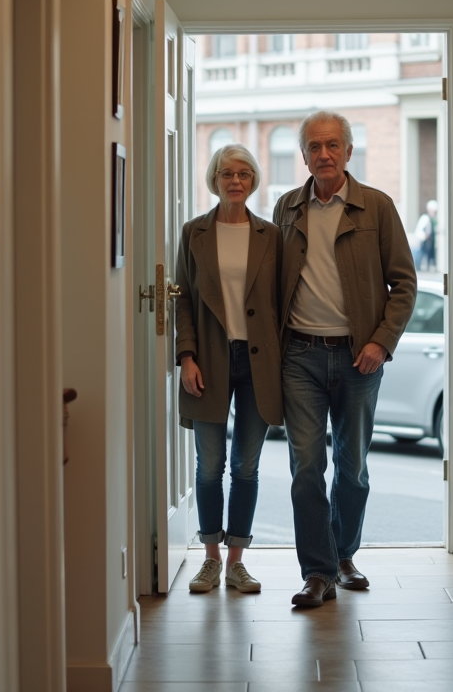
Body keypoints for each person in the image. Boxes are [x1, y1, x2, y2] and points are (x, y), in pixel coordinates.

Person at [273, 110, 417, 608]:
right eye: (314, 146)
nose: (324, 154)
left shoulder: (376, 207)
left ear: (349, 152)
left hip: (360, 360)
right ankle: (316, 572)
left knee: (351, 467)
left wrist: (382, 340)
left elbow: (405, 283)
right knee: (306, 467)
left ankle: (342, 556)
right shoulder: (287, 208)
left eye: (333, 145)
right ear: (305, 155)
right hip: (300, 356)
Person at [174, 143, 284, 595]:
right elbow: (181, 297)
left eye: (242, 173)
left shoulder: (271, 235)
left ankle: (237, 561)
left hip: (260, 363)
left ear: (253, 179)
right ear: (214, 180)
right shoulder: (194, 232)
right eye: (225, 174)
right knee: (209, 466)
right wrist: (186, 357)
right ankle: (210, 560)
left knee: (246, 466)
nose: (234, 181)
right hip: (211, 360)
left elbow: (282, 300)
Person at [412, 200, 438, 272]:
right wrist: (425, 236)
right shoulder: (425, 218)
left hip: (431, 243)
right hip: (424, 243)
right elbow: (419, 231)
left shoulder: (434, 220)